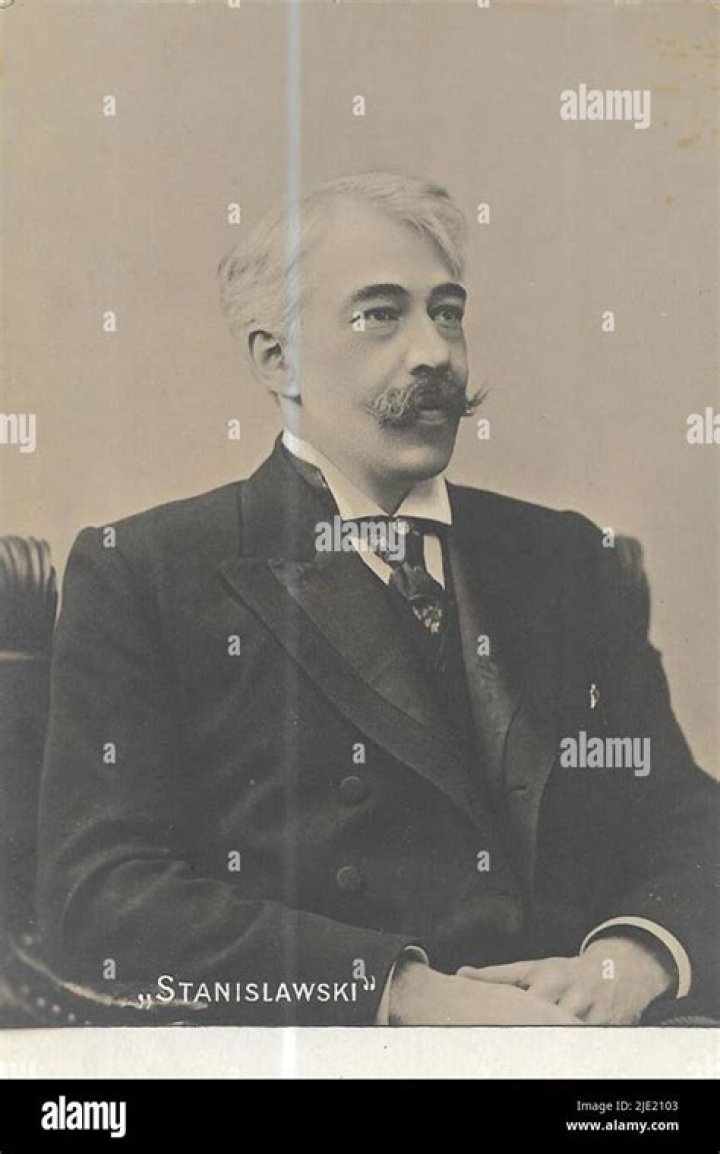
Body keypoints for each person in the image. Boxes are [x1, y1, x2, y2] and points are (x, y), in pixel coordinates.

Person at [36, 172, 718, 1026]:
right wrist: (397, 992)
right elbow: (101, 897)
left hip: (583, 1048)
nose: (434, 352)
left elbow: (685, 822)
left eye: (448, 312)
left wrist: (631, 958)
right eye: (380, 315)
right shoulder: (151, 571)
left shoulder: (566, 559)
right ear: (276, 358)